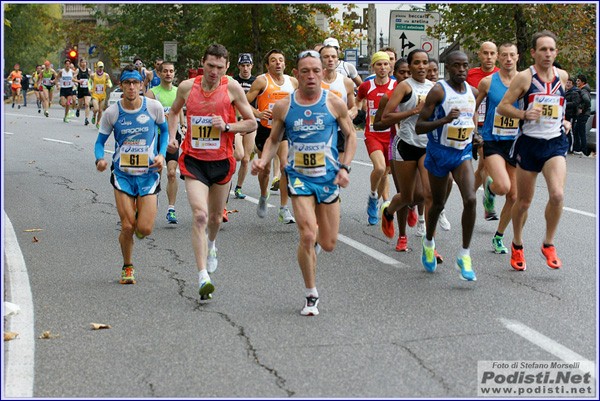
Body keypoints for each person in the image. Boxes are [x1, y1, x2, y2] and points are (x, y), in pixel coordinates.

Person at [251, 49, 357, 316]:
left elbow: (351, 136)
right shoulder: (285, 106)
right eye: (305, 71)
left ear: (323, 74)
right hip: (298, 179)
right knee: (307, 235)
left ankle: (317, 244)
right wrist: (263, 160)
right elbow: (274, 139)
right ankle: (311, 294)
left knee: (329, 243)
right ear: (296, 75)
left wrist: (345, 168)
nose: (311, 75)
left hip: (328, 178)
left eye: (316, 71)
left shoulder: (334, 103)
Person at [166, 44, 257, 300]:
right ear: (202, 64)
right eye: (210, 66)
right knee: (199, 215)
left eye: (219, 67)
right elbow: (173, 113)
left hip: (222, 161)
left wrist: (227, 126)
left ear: (226, 67)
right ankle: (202, 275)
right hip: (194, 160)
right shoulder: (187, 87)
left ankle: (213, 244)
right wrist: (171, 138)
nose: (214, 72)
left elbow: (251, 122)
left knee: (215, 218)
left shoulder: (232, 88)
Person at [497, 30, 570, 271]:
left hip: (555, 143)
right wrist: (523, 114)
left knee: (557, 195)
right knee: (524, 201)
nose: (547, 54)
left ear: (556, 52)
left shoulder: (562, 76)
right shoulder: (524, 78)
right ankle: (517, 243)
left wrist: (565, 121)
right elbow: (503, 107)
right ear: (533, 52)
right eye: (543, 49)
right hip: (529, 143)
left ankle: (548, 243)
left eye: (551, 49)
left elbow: (559, 106)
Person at [93, 64, 168, 285]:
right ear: (121, 85)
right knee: (127, 226)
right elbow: (99, 142)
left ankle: (139, 220)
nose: (132, 87)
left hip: (148, 174)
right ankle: (127, 266)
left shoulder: (153, 107)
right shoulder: (112, 112)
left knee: (144, 228)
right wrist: (100, 159)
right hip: (123, 175)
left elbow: (164, 131)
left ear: (143, 85)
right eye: (127, 83)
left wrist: (162, 155)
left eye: (136, 83)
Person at [415, 51, 480, 281]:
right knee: (438, 203)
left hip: (461, 154)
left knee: (471, 199)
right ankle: (429, 241)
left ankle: (464, 254)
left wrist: (475, 136)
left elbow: (471, 121)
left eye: (465, 66)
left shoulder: (473, 92)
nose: (461, 70)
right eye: (456, 66)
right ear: (447, 68)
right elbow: (420, 127)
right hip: (439, 154)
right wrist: (443, 120)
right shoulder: (439, 91)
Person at [378, 50, 436, 254]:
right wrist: (413, 111)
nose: (421, 67)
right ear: (410, 66)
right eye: (417, 63)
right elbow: (385, 118)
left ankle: (430, 245)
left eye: (425, 63)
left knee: (427, 194)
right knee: (407, 197)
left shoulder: (434, 88)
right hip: (405, 145)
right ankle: (390, 212)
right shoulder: (404, 86)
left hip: (426, 146)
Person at [475, 42, 520, 255]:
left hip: (516, 142)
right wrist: (473, 132)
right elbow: (472, 107)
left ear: (518, 57)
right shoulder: (487, 82)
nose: (508, 59)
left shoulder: (526, 81)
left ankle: (499, 236)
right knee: (503, 186)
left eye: (512, 55)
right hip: (492, 140)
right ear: (499, 59)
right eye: (504, 55)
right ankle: (491, 191)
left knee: (514, 196)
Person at [246, 49, 298, 223]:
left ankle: (284, 209)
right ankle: (263, 195)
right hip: (266, 130)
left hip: (285, 129)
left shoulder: (293, 82)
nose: (278, 63)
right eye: (274, 60)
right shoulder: (262, 81)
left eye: (281, 60)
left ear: (285, 63)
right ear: (268, 65)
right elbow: (244, 102)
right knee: (266, 170)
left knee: (285, 167)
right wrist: (258, 113)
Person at [356, 51, 396, 225]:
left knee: (386, 172)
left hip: (392, 135)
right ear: (373, 67)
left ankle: (377, 201)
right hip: (372, 134)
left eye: (386, 64)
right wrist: (355, 112)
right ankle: (373, 197)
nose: (383, 67)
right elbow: (357, 101)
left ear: (390, 66)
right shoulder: (367, 86)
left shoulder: (397, 85)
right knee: (379, 169)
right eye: (379, 64)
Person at [146, 61, 185, 224]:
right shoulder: (152, 93)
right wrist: (160, 118)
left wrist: (183, 126)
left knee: (171, 172)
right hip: (155, 138)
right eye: (165, 71)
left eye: (171, 71)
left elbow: (180, 110)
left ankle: (171, 209)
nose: (168, 74)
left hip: (172, 137)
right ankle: (151, 203)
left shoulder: (178, 92)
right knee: (155, 173)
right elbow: (145, 117)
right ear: (159, 73)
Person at [467, 41, 500, 221]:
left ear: (497, 56)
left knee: (483, 166)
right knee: (485, 164)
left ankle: (471, 194)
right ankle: (488, 199)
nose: (488, 57)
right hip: (475, 127)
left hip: (495, 128)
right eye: (485, 53)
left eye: (492, 53)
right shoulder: (471, 75)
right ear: (479, 54)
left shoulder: (502, 76)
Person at [319, 42, 358, 162]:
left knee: (337, 170)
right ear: (320, 60)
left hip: (339, 130)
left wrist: (351, 113)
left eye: (333, 56)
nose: (330, 60)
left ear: (337, 60)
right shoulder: (314, 81)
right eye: (326, 57)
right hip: (318, 130)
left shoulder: (346, 82)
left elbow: (353, 107)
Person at [232, 53, 257, 200]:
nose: (245, 68)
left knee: (246, 159)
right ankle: (226, 179)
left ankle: (239, 187)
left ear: (252, 66)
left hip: (250, 122)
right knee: (237, 155)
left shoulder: (256, 82)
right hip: (235, 122)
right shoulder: (233, 81)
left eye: (248, 65)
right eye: (243, 65)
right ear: (239, 66)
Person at [90, 61, 113, 129]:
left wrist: (109, 85)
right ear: (97, 67)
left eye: (102, 67)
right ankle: (94, 115)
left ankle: (98, 122)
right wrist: (90, 88)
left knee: (100, 111)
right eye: (99, 67)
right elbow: (89, 82)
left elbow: (110, 82)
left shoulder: (106, 75)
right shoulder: (93, 75)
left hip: (102, 95)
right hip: (95, 95)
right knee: (96, 109)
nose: (101, 68)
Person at [573, 74, 592, 156]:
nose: (577, 82)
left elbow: (587, 101)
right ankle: (578, 149)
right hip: (584, 114)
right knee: (577, 130)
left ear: (583, 82)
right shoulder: (583, 89)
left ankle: (582, 150)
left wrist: (581, 108)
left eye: (578, 81)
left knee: (580, 132)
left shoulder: (583, 90)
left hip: (583, 114)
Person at [564, 77, 582, 153]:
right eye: (567, 82)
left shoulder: (575, 93)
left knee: (569, 132)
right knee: (565, 131)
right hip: (565, 114)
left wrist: (565, 104)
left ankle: (570, 148)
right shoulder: (565, 92)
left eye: (569, 83)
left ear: (572, 84)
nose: (567, 84)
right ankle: (565, 147)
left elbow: (575, 103)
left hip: (571, 114)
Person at [75, 58, 93, 125]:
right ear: (80, 63)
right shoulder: (77, 70)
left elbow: (92, 78)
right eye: (82, 62)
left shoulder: (88, 70)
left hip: (87, 89)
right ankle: (78, 109)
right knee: (80, 104)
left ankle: (86, 119)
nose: (84, 64)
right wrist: (78, 81)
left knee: (87, 104)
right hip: (80, 89)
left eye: (85, 62)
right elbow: (73, 79)